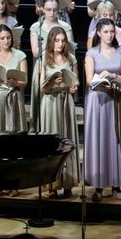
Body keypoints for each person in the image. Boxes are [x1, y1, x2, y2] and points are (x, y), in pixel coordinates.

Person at [84, 19, 121, 202]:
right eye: (106, 32)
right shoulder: (91, 53)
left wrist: (114, 76)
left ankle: (116, 184)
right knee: (100, 140)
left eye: (112, 31)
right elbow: (89, 80)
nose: (109, 35)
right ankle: (98, 186)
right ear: (98, 33)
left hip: (117, 99)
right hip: (98, 100)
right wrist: (102, 81)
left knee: (116, 140)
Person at [38, 26, 79, 199]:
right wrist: (53, 82)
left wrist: (72, 86)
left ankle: (68, 183)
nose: (60, 44)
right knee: (53, 143)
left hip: (65, 102)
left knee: (67, 140)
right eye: (57, 40)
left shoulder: (71, 58)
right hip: (50, 101)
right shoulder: (45, 60)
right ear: (51, 41)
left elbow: (75, 83)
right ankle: (52, 186)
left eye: (63, 40)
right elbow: (41, 87)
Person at [30, 0, 74, 131]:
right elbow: (35, 52)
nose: (51, 13)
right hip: (44, 64)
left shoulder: (65, 26)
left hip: (61, 63)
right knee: (41, 99)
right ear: (42, 9)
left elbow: (70, 48)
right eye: (48, 9)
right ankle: (40, 129)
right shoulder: (36, 26)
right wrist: (50, 40)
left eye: (55, 10)